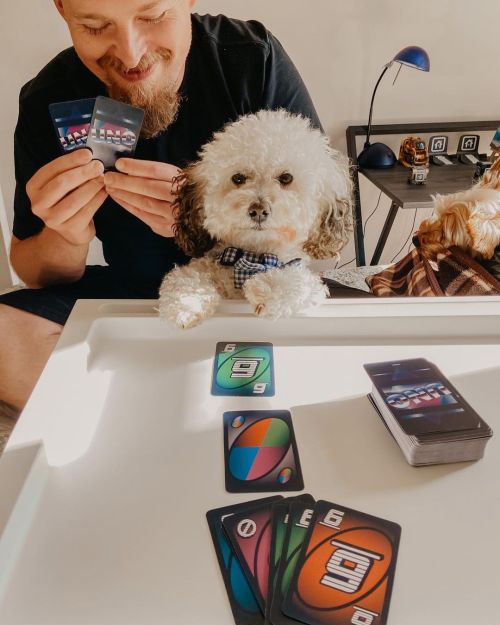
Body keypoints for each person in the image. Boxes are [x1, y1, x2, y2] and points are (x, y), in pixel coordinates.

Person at [0, 0, 322, 426]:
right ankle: (138, 429)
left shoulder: (249, 60)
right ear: (62, 10)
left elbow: (314, 224)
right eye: (95, 26)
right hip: (130, 291)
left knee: (297, 328)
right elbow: (32, 269)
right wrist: (67, 236)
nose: (131, 54)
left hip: (245, 284)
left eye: (152, 17)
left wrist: (204, 216)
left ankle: (149, 415)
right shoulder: (50, 96)